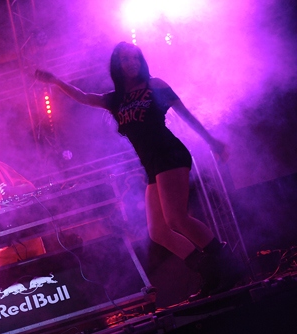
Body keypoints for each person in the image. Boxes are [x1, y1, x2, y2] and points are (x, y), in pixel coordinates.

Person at [35, 42, 237, 301]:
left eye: (135, 58)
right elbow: (84, 97)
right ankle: (209, 272)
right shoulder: (115, 99)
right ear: (116, 64)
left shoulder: (156, 85)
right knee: (158, 231)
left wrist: (211, 141)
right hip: (152, 164)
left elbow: (185, 115)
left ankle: (227, 265)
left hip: (169, 154)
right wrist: (55, 81)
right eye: (124, 59)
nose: (130, 62)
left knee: (176, 219)